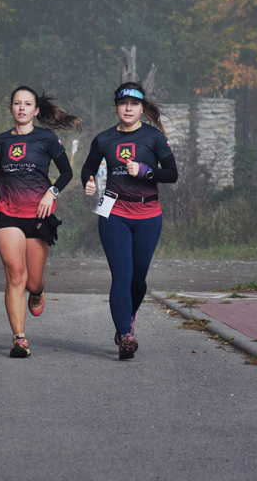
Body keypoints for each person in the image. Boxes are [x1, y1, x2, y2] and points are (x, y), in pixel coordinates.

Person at [0, 86, 81, 358]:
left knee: (32, 281)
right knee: (16, 275)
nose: (21, 108)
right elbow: (3, 174)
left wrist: (51, 192)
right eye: (16, 103)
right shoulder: (1, 140)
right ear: (11, 109)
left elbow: (67, 173)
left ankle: (39, 291)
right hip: (7, 214)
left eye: (27, 104)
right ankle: (19, 338)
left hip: (38, 217)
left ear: (35, 111)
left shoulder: (47, 138)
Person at [81, 82, 178, 360]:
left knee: (138, 280)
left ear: (141, 108)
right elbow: (89, 166)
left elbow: (171, 174)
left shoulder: (154, 137)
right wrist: (87, 180)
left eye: (134, 104)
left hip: (148, 215)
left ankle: (129, 315)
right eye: (123, 103)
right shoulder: (104, 139)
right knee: (121, 276)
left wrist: (147, 171)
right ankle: (125, 335)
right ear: (116, 107)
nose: (128, 108)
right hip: (113, 212)